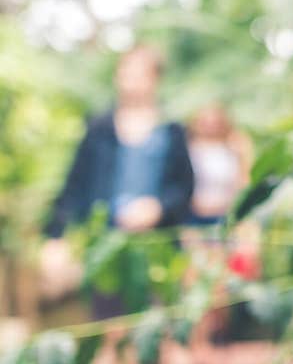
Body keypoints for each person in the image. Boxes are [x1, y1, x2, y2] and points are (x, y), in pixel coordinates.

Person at [43, 45, 194, 318]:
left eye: (139, 74)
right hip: (106, 248)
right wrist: (56, 237)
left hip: (157, 249)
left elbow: (185, 188)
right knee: (108, 330)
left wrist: (158, 208)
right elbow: (74, 185)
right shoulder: (99, 128)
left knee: (157, 328)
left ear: (155, 79)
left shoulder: (171, 130)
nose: (130, 80)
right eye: (125, 72)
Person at [187, 105, 252, 225]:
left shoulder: (233, 146)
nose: (210, 126)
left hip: (226, 214)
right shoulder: (188, 148)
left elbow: (244, 182)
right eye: (205, 122)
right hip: (193, 215)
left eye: (215, 122)